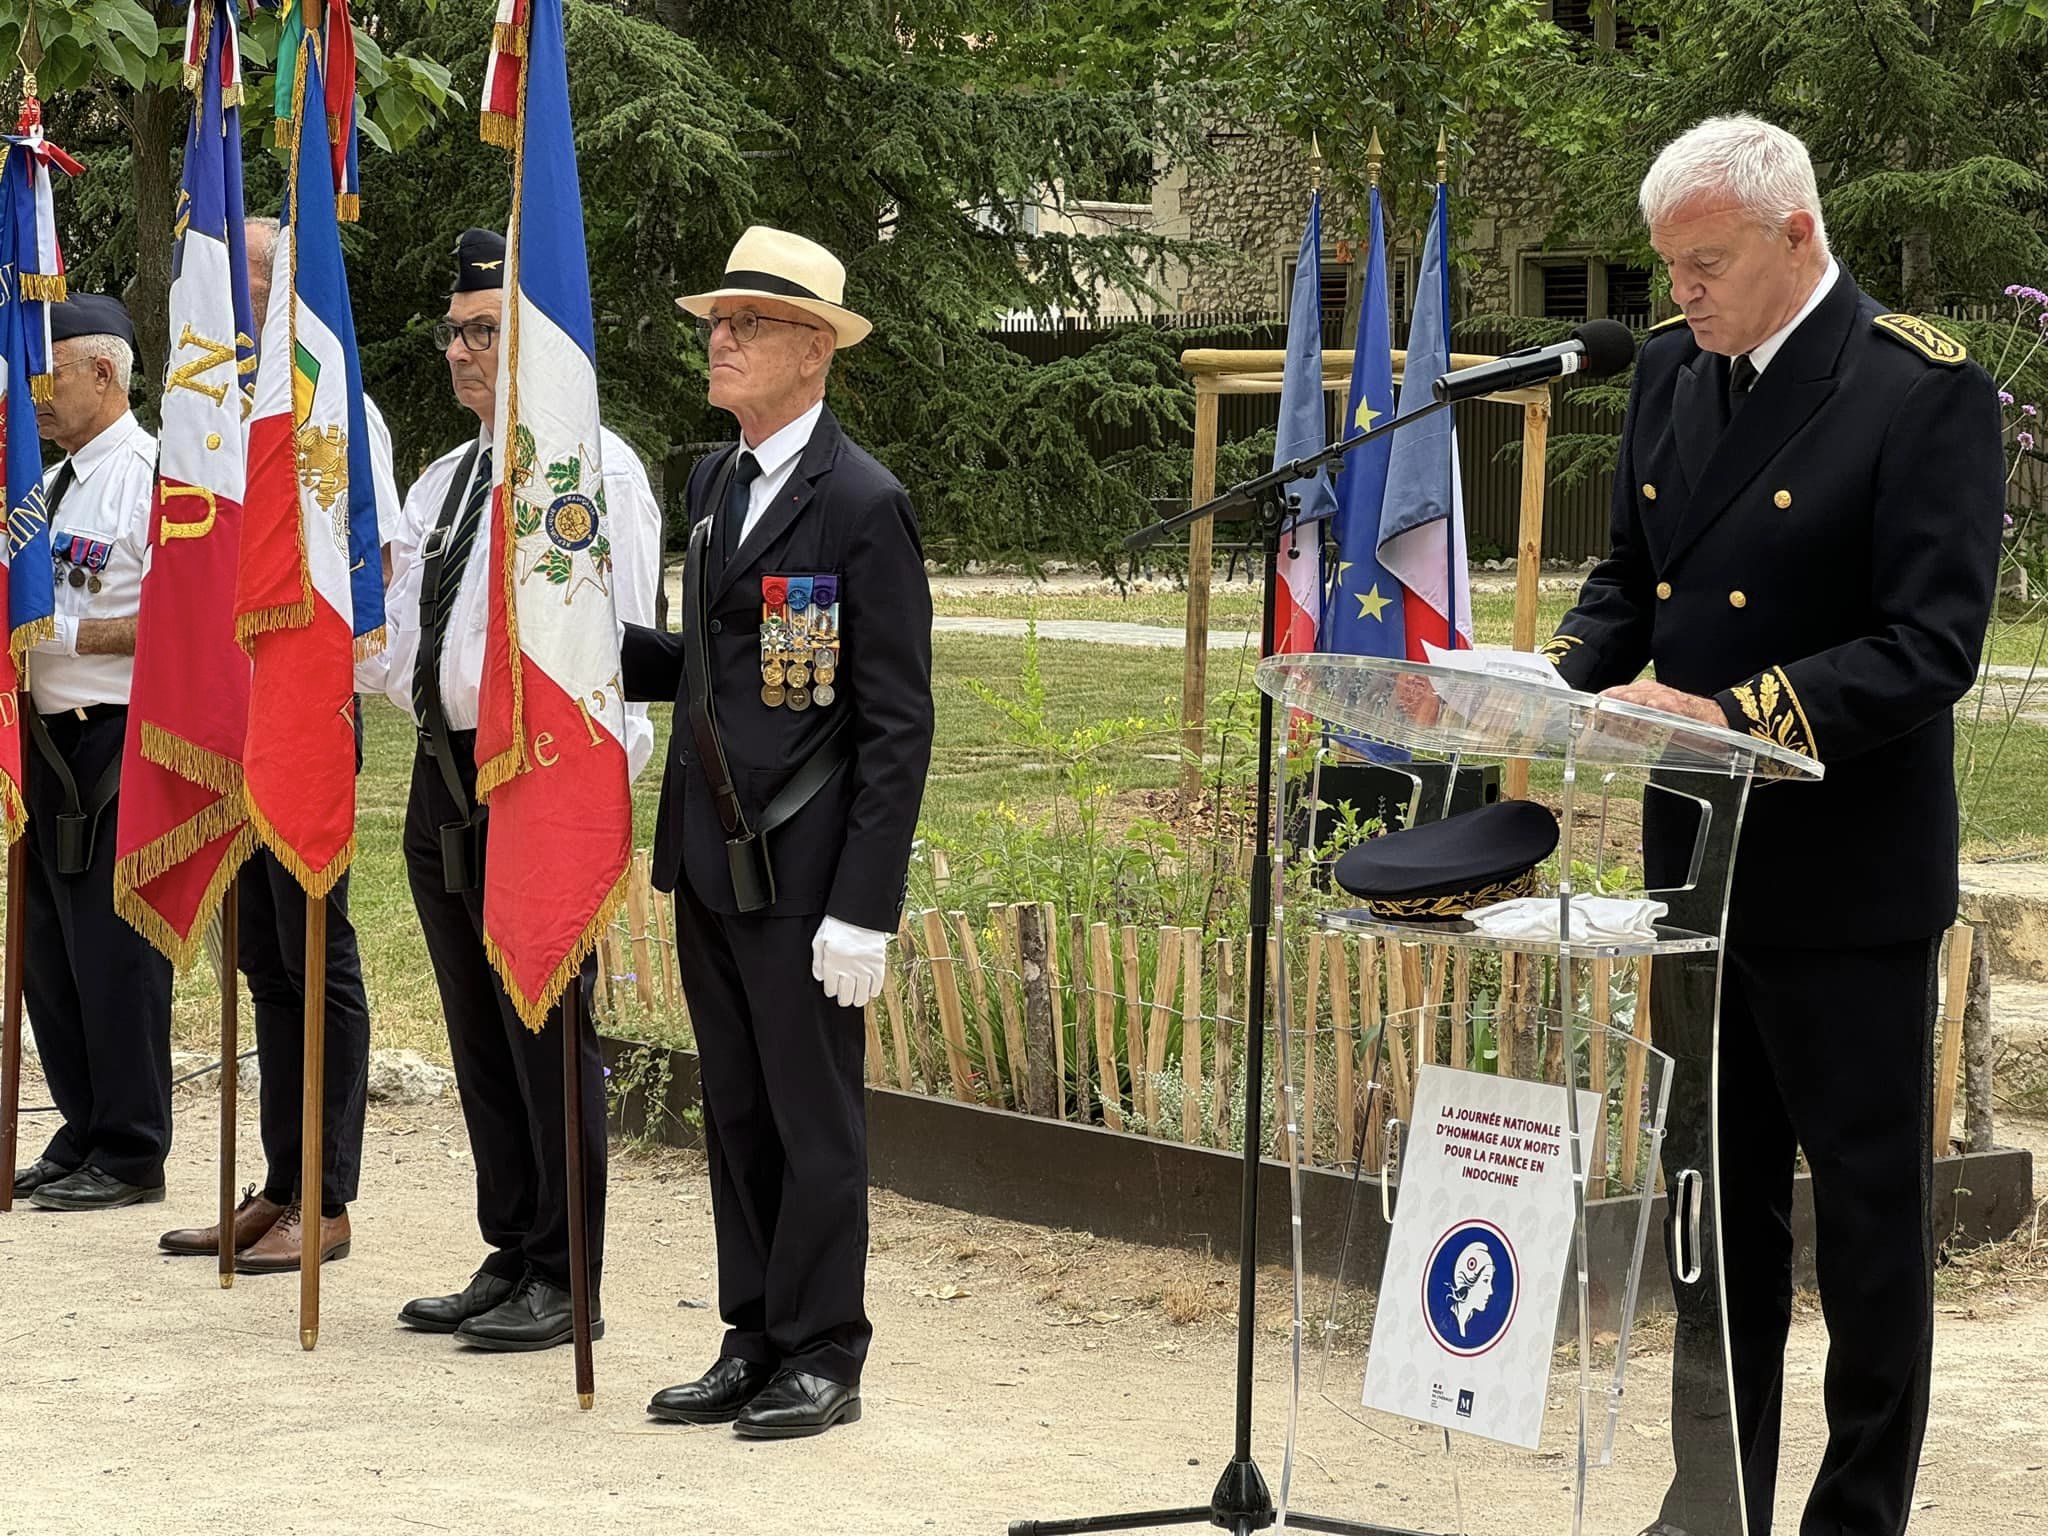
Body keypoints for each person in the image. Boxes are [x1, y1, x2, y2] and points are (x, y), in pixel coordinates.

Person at [1543, 116, 2003, 1536]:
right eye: (1669, 265)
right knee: (1712, 1213)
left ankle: (1857, 1515)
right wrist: (1551, 682)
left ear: (1797, 237)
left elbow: (1933, 645)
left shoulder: (1919, 391)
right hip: (1702, 866)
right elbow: (1633, 581)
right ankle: (1714, 1500)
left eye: (1706, 262)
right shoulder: (1676, 375)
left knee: (1866, 1231)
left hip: (1846, 877)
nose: (1678, 291)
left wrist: (1738, 713)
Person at [624, 226, 933, 1439]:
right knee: (738, 1110)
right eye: (716, 321)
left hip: (806, 877)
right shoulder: (713, 483)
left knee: (812, 1118)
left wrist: (865, 906)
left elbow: (893, 726)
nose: (721, 339)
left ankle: (823, 1351)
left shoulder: (861, 504)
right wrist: (584, 650)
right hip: (711, 856)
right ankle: (750, 1334)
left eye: (748, 323)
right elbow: (714, 663)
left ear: (815, 350)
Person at [375, 228, 660, 1351]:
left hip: (538, 792)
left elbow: (616, 661)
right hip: (441, 780)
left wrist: (590, 803)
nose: (461, 350)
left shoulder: (593, 470)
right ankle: (512, 1245)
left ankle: (568, 1269)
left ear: (534, 343)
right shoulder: (442, 482)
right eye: (453, 330)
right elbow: (404, 645)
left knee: (546, 1031)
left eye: (485, 330)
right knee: (475, 1035)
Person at [156, 215, 404, 1272]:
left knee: (315, 957)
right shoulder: (216, 416)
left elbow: (373, 566)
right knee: (262, 958)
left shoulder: (332, 404)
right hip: (234, 720)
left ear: (277, 289)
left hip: (304, 718)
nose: (213, 302)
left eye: (232, 280)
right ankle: (276, 1181)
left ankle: (327, 1195)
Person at [10, 295, 176, 1212]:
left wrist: (58, 628)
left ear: (104, 373)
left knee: (115, 951)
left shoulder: (147, 475)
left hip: (112, 739)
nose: (36, 393)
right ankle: (83, 1126)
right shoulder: (49, 484)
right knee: (48, 950)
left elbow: (169, 621)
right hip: (40, 741)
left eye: (51, 374)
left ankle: (132, 1145)